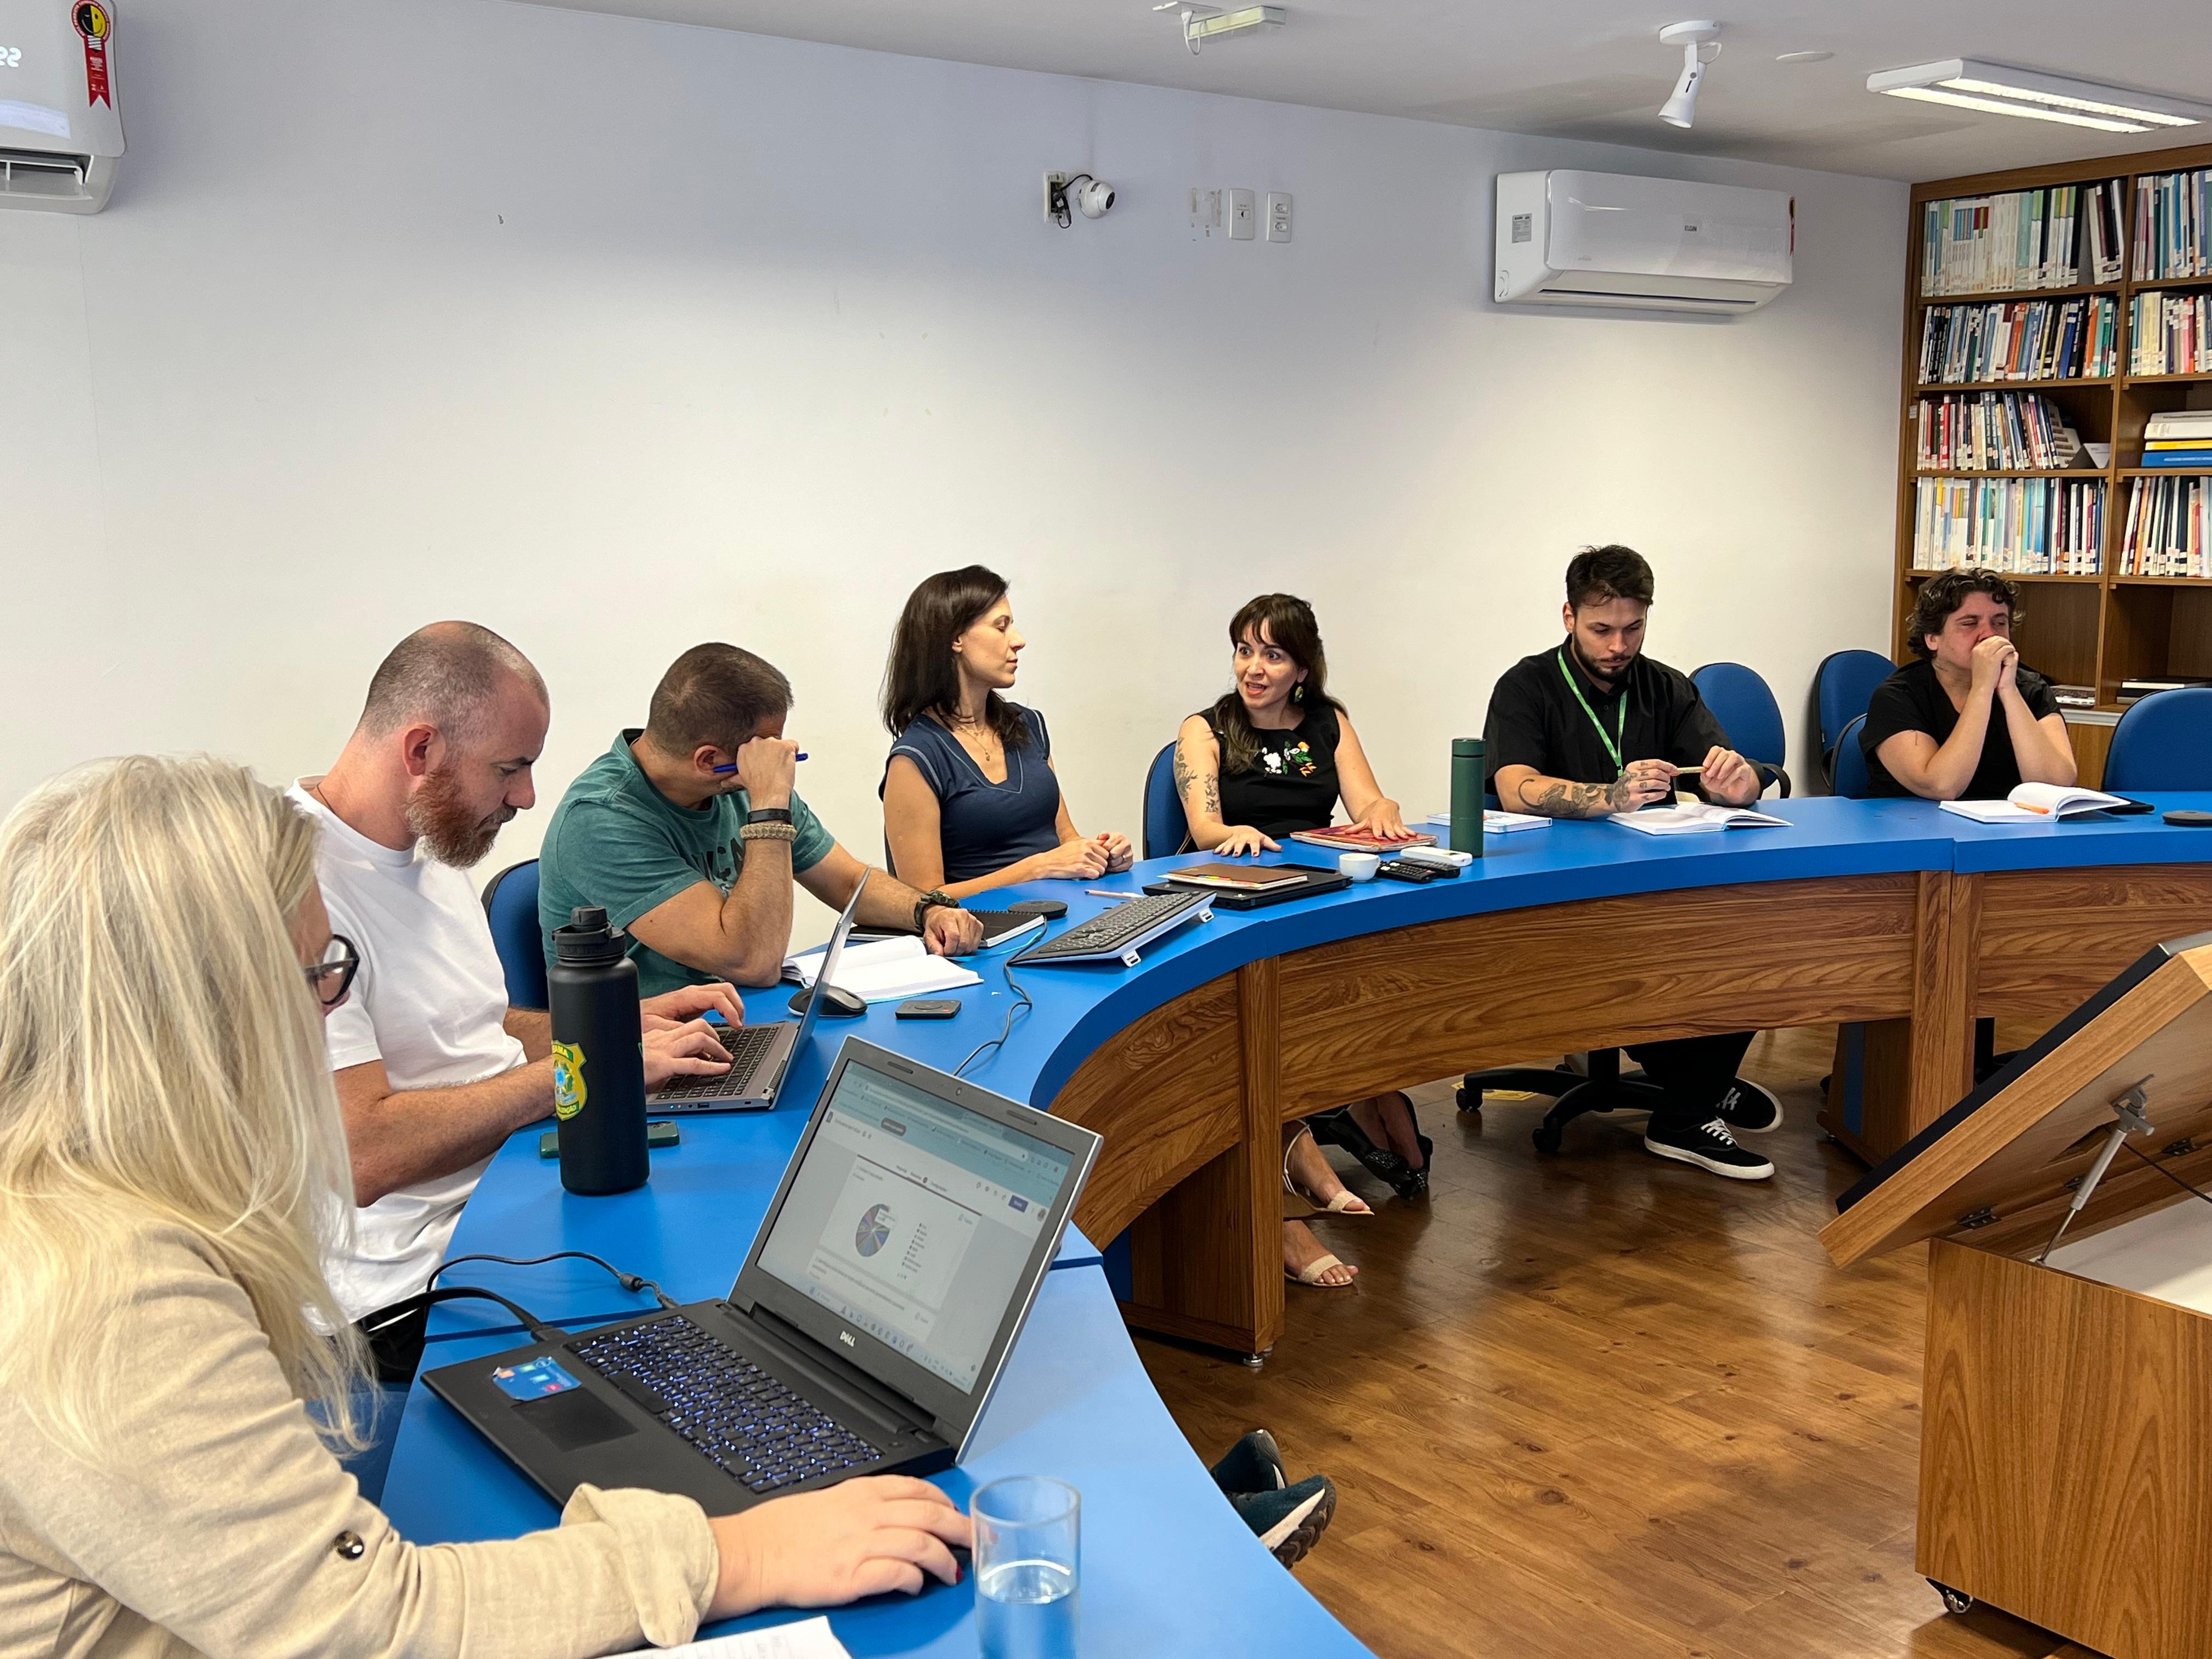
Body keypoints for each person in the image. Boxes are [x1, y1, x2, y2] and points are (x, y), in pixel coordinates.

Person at [0, 755, 970, 1658]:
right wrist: (737, 1555)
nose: (330, 1005)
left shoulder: (82, 1192)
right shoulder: (110, 1295)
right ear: (192, 1013)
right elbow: (363, 1619)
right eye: (311, 978)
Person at [292, 624, 736, 1458]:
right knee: (680, 1413)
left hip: (507, 1195)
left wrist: (608, 1026)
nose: (529, 797)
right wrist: (590, 1066)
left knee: (738, 1261)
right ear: (420, 748)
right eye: (510, 768)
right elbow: (364, 1155)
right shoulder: (297, 886)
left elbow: (473, 1027)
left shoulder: (427, 841)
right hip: (406, 1291)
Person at [1482, 545, 1782, 1180]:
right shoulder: (1526, 685)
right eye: (1602, 629)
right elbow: (1515, 786)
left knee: (1759, 946)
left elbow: (1729, 768)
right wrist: (1607, 797)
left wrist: (1739, 782)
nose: (1619, 645)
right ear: (1569, 616)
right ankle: (1689, 1105)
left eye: (1634, 627)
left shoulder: (1666, 685)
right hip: (1553, 891)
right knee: (1646, 966)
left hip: (1655, 881)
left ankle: (1690, 1089)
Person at [1172, 594, 1427, 1290]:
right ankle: (1300, 1177)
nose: (1254, 669)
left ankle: (1335, 1122)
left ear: (1302, 668)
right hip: (1229, 905)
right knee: (1254, 1036)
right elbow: (1202, 828)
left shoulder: (1327, 722)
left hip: (1309, 898)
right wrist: (1234, 838)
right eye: (1245, 651)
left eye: (1273, 655)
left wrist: (1382, 812)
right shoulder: (1207, 729)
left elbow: (1368, 801)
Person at [538, 643, 984, 995]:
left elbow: (847, 882)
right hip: (654, 1051)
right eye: (762, 750)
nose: (777, 759)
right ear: (709, 760)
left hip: (737, 1016)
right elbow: (751, 961)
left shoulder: (729, 785)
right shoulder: (601, 820)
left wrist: (926, 909)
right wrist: (769, 801)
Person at [880, 566, 1134, 896]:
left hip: (1062, 912)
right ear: (955, 638)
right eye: (1001, 627)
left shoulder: (1028, 726)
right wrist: (1037, 867)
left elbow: (1066, 838)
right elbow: (923, 901)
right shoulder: (915, 759)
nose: (1019, 641)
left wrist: (1101, 853)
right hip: (988, 936)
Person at [1861, 568, 2075, 800]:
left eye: (1999, 623)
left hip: (2004, 828)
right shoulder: (1898, 696)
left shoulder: (2030, 688)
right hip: (1917, 826)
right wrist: (1982, 689)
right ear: (1932, 638)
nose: (1989, 635)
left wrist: (2008, 691)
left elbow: (2056, 785)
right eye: (1970, 624)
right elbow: (1942, 786)